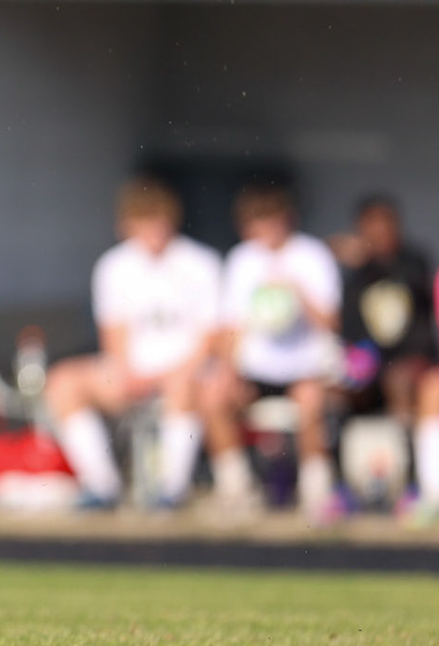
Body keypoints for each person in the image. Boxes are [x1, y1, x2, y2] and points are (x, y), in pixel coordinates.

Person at [43, 176, 221, 509]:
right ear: (127, 225)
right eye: (143, 222)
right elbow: (115, 335)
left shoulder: (200, 263)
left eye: (158, 221)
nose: (153, 232)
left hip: (186, 373)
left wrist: (162, 376)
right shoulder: (114, 266)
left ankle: (170, 490)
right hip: (133, 373)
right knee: (63, 382)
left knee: (183, 386)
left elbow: (209, 340)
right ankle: (101, 486)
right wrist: (128, 373)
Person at [200, 184, 343, 522]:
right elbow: (231, 326)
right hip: (256, 370)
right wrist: (227, 370)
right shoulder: (242, 259)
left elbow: (331, 322)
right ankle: (235, 491)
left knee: (309, 402)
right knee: (212, 397)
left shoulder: (312, 255)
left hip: (305, 368)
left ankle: (316, 495)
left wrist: (298, 293)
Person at [332, 194, 433, 425]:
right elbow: (348, 326)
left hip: (408, 358)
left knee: (398, 379)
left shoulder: (414, 261)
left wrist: (373, 260)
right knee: (338, 392)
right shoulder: (356, 273)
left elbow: (413, 286)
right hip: (367, 360)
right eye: (372, 225)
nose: (380, 232)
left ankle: (407, 450)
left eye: (385, 223)